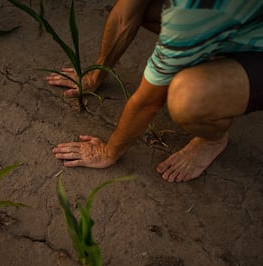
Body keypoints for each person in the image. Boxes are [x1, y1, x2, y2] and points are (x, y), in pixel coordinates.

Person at [50, 0, 263, 182]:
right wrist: (97, 73)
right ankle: (215, 51)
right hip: (244, 20)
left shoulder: (189, 14)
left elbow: (149, 101)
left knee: (188, 96)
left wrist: (109, 151)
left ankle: (212, 139)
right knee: (145, 6)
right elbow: (127, 12)